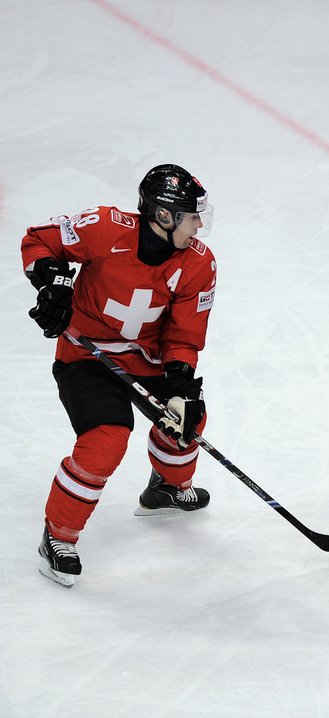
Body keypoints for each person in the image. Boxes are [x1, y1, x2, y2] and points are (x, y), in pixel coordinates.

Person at [22, 164, 217, 588]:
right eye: (191, 215)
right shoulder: (104, 228)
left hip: (146, 360)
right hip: (84, 356)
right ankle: (57, 535)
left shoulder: (199, 264)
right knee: (106, 441)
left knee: (188, 423)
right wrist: (52, 284)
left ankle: (166, 488)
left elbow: (185, 335)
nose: (199, 224)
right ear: (163, 216)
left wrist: (181, 385)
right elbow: (39, 239)